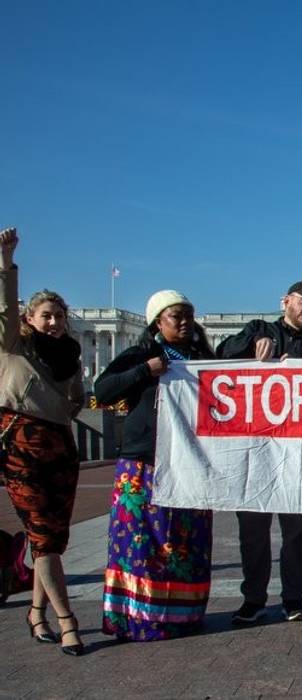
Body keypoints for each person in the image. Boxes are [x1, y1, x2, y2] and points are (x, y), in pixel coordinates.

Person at [216, 281, 302, 624]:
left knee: (295, 533)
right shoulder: (260, 330)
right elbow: (219, 358)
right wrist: (250, 346)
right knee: (252, 531)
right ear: (285, 301)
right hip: (255, 450)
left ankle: (294, 599)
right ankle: (253, 598)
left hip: (297, 452)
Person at [96, 290, 215, 641]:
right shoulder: (141, 354)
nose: (183, 323)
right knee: (142, 542)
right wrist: (143, 372)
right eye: (174, 316)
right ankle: (137, 618)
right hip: (144, 461)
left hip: (189, 461)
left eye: (187, 316)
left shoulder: (202, 357)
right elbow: (103, 391)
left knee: (184, 542)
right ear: (157, 322)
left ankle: (184, 615)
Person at [0, 227, 86, 656]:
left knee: (51, 537)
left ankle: (36, 613)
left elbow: (77, 399)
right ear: (29, 319)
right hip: (20, 446)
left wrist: (67, 410)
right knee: (45, 538)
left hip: (60, 447)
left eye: (58, 316)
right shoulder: (14, 347)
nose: (53, 323)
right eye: (45, 316)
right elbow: (3, 302)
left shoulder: (71, 355)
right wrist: (7, 261)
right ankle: (69, 623)